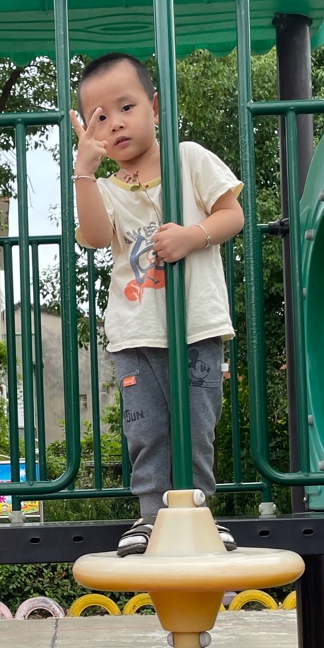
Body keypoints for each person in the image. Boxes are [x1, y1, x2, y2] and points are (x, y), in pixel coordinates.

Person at [70, 52, 245, 556]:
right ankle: (151, 516)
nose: (115, 123)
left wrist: (192, 236)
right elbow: (95, 236)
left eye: (126, 107)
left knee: (196, 424)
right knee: (145, 428)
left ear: (154, 107)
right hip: (135, 330)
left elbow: (231, 214)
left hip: (195, 324)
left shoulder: (188, 159)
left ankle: (199, 512)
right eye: (100, 117)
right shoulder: (105, 189)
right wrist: (83, 173)